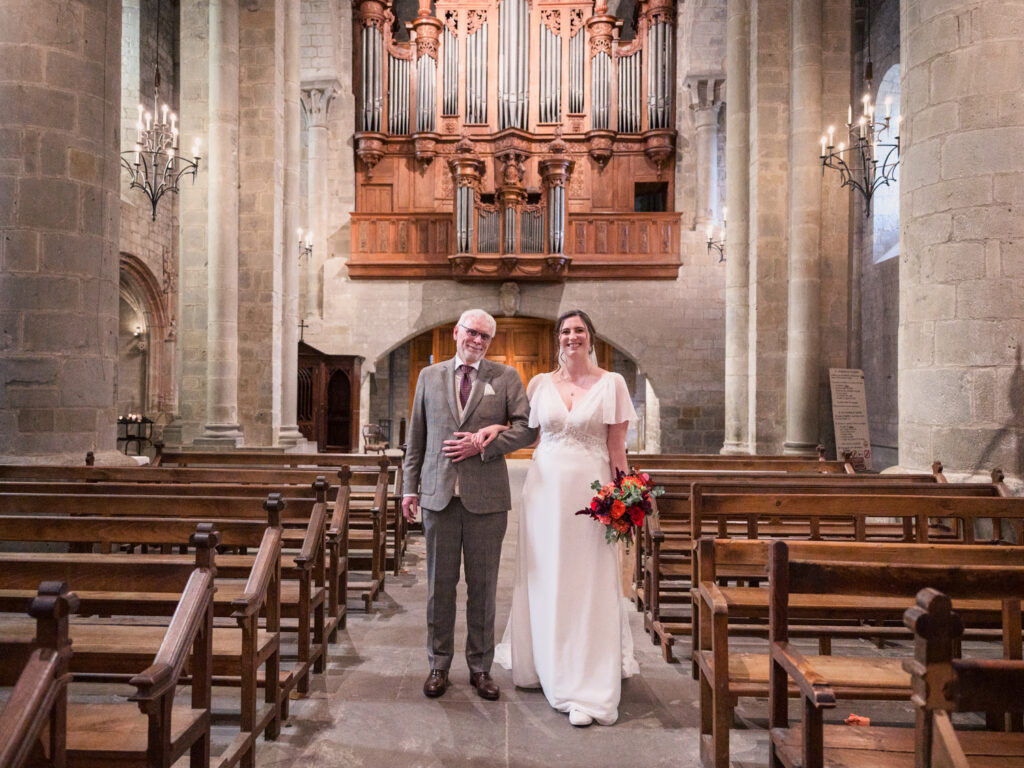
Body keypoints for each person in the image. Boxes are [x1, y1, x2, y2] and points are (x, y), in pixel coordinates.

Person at [483, 309, 639, 727]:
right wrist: (493, 432)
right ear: (558, 339)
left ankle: (584, 680)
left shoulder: (612, 384)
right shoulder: (539, 384)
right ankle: (541, 663)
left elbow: (617, 449)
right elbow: (528, 433)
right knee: (545, 576)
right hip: (545, 493)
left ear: (591, 338)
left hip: (591, 495)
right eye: (566, 331)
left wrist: (626, 500)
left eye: (580, 331)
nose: (573, 337)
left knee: (585, 579)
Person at [402, 309, 536, 701]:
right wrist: (410, 490)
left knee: (483, 588)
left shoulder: (505, 377)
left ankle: (480, 668)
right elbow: (417, 438)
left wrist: (486, 442)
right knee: (439, 587)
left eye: (485, 337)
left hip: (487, 501)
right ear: (457, 332)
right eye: (472, 333)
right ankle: (438, 665)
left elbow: (527, 429)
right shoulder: (430, 377)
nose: (477, 341)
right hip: (439, 497)